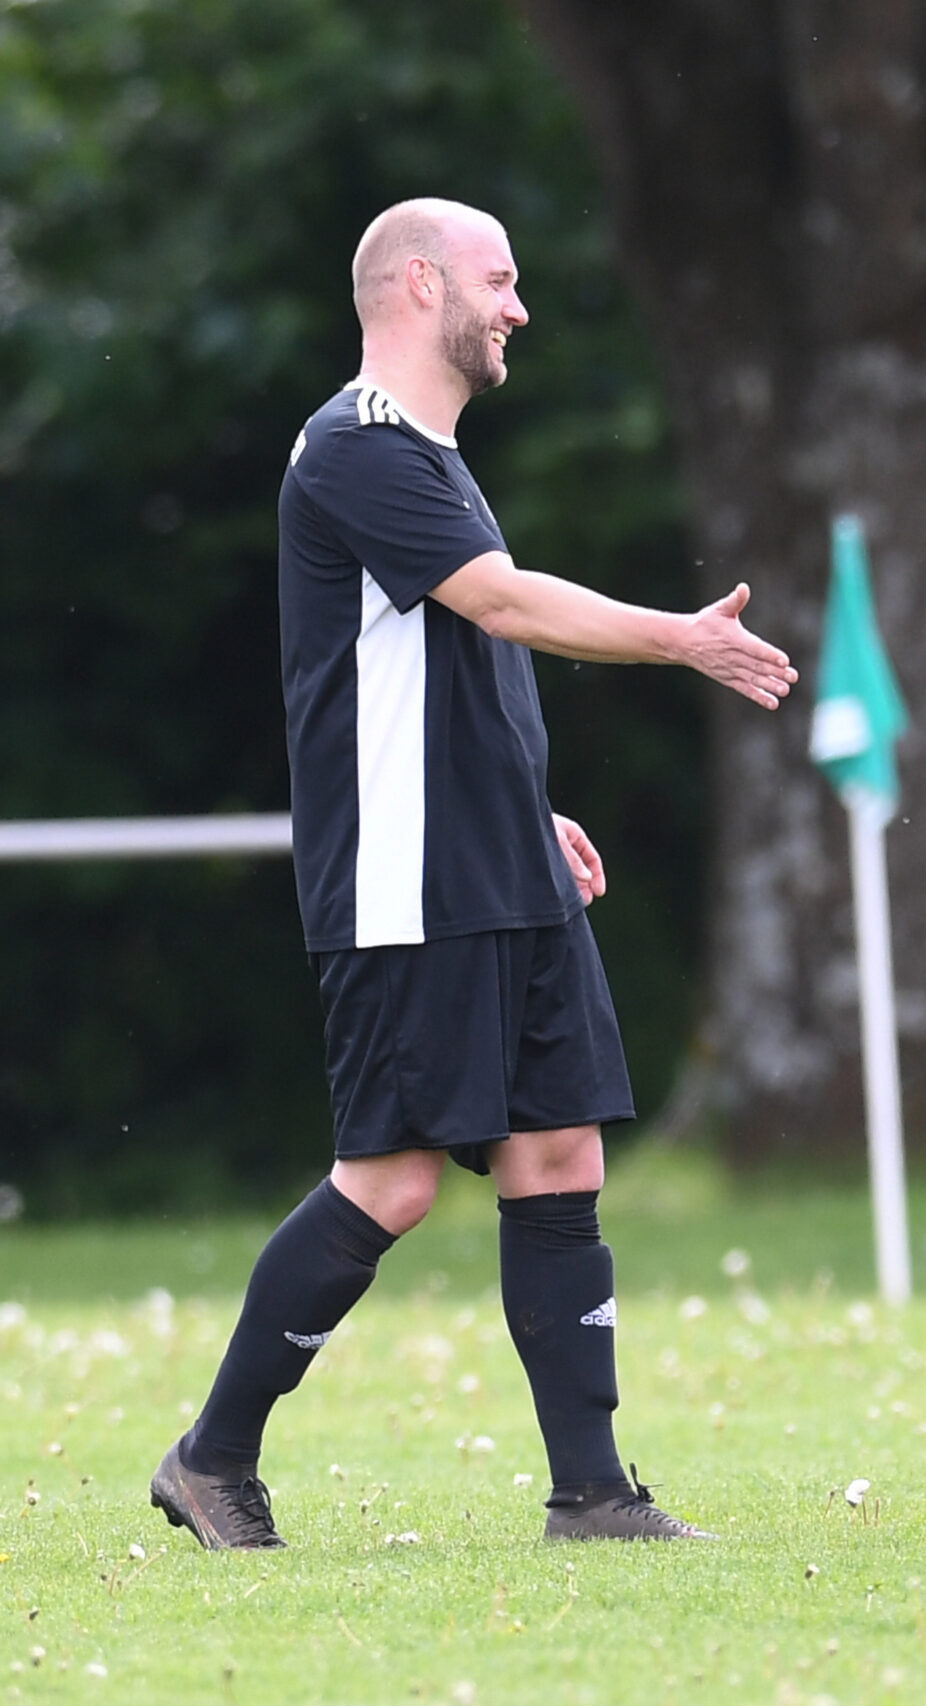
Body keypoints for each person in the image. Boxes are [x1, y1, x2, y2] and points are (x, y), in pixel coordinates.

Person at [149, 198, 797, 1550]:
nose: (518, 309)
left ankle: (593, 1493)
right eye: (500, 283)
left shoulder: (435, 457)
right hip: (407, 884)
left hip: (500, 862)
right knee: (388, 1178)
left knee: (557, 1150)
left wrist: (531, 807)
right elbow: (500, 603)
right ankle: (212, 1457)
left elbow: (449, 667)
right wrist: (678, 638)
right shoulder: (354, 447)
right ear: (423, 283)